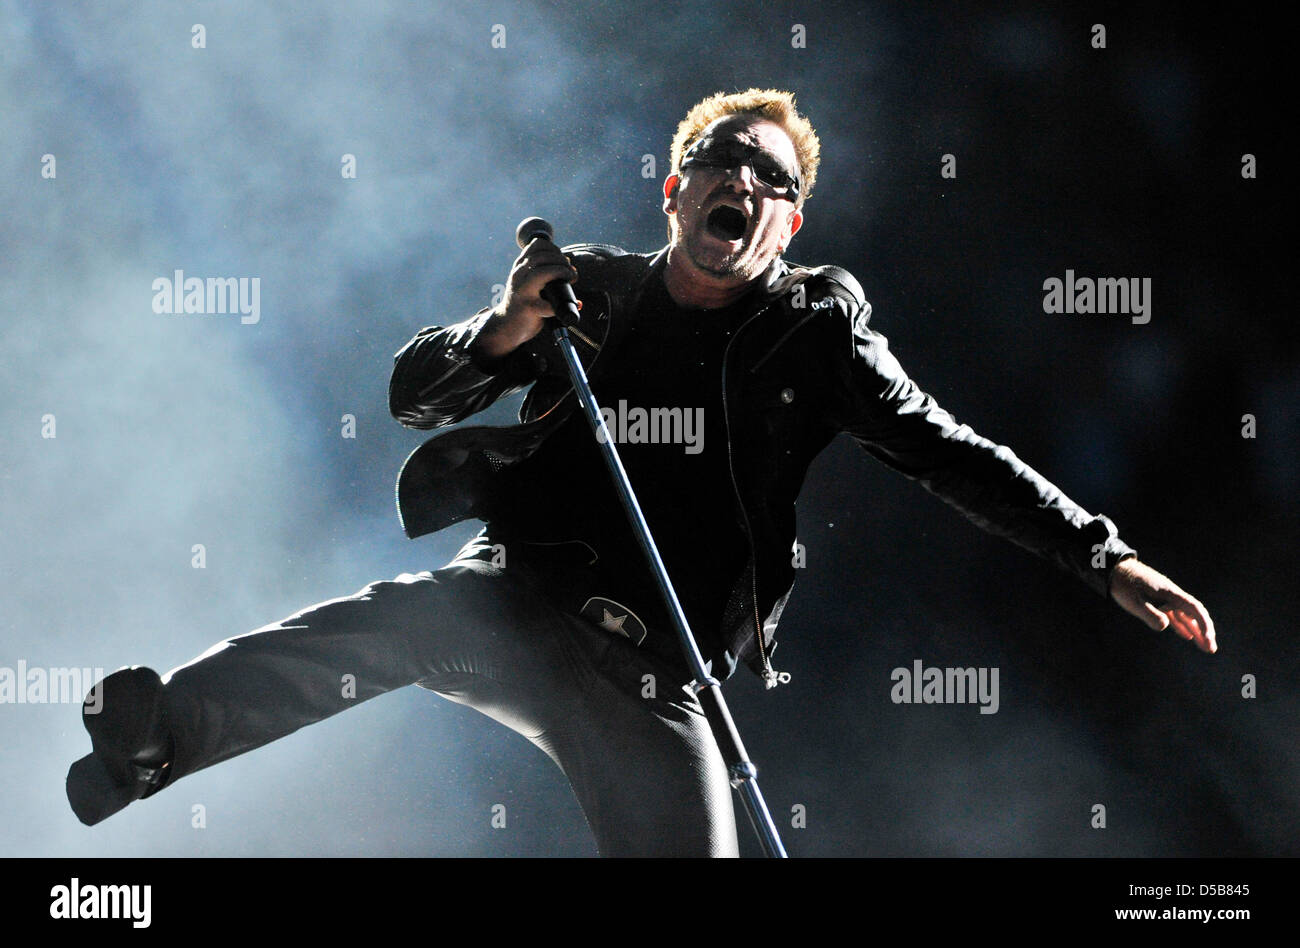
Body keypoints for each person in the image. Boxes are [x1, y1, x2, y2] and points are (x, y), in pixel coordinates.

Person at [66, 88, 1217, 857]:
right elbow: (413, 395)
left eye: (770, 179)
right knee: (382, 625)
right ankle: (158, 736)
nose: (744, 182)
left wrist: (1102, 555)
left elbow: (948, 451)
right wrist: (508, 330)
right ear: (676, 190)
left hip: (658, 679)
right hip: (516, 602)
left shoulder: (814, 339)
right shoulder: (587, 293)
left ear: (788, 225)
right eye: (724, 162)